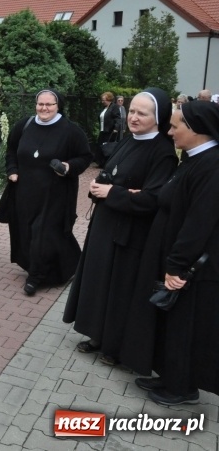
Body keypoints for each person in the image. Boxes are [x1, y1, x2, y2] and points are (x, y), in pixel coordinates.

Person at [63, 88, 177, 366]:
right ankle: (96, 334)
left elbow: (152, 199)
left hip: (129, 234)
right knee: (98, 282)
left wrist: (111, 193)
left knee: (119, 290)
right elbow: (111, 174)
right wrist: (97, 187)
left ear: (158, 117)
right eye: (133, 112)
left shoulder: (162, 152)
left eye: (142, 113)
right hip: (106, 225)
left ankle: (114, 346)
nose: (134, 118)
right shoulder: (130, 140)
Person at [130, 100, 219, 406]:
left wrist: (177, 266)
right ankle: (170, 375)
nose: (170, 131)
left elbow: (199, 222)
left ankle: (182, 388)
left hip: (191, 269)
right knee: (173, 324)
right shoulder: (193, 159)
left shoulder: (212, 165)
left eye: (176, 125)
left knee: (185, 327)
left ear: (197, 131)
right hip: (176, 260)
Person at [0, 89, 92, 296]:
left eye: (49, 104)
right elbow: (11, 151)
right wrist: (12, 170)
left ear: (58, 106)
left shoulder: (71, 131)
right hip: (25, 192)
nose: (44, 108)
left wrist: (68, 167)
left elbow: (85, 157)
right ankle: (74, 262)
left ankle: (36, 277)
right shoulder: (24, 126)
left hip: (56, 193)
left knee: (44, 233)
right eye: (40, 104)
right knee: (27, 231)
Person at [96, 91, 121, 167]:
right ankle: (101, 163)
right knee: (101, 146)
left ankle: (107, 163)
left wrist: (116, 128)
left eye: (104, 100)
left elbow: (118, 118)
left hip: (110, 131)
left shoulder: (114, 107)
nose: (102, 101)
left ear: (109, 99)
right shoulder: (104, 108)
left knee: (108, 147)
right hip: (103, 130)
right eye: (102, 100)